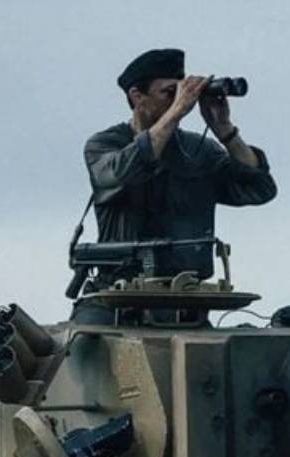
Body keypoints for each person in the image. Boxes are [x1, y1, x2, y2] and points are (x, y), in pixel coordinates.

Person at [81, 48, 277, 287]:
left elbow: (260, 189)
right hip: (119, 294)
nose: (179, 100)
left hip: (185, 296)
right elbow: (126, 171)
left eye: (181, 92)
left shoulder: (199, 150)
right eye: (168, 93)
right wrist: (176, 112)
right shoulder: (104, 145)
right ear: (136, 96)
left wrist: (225, 130)